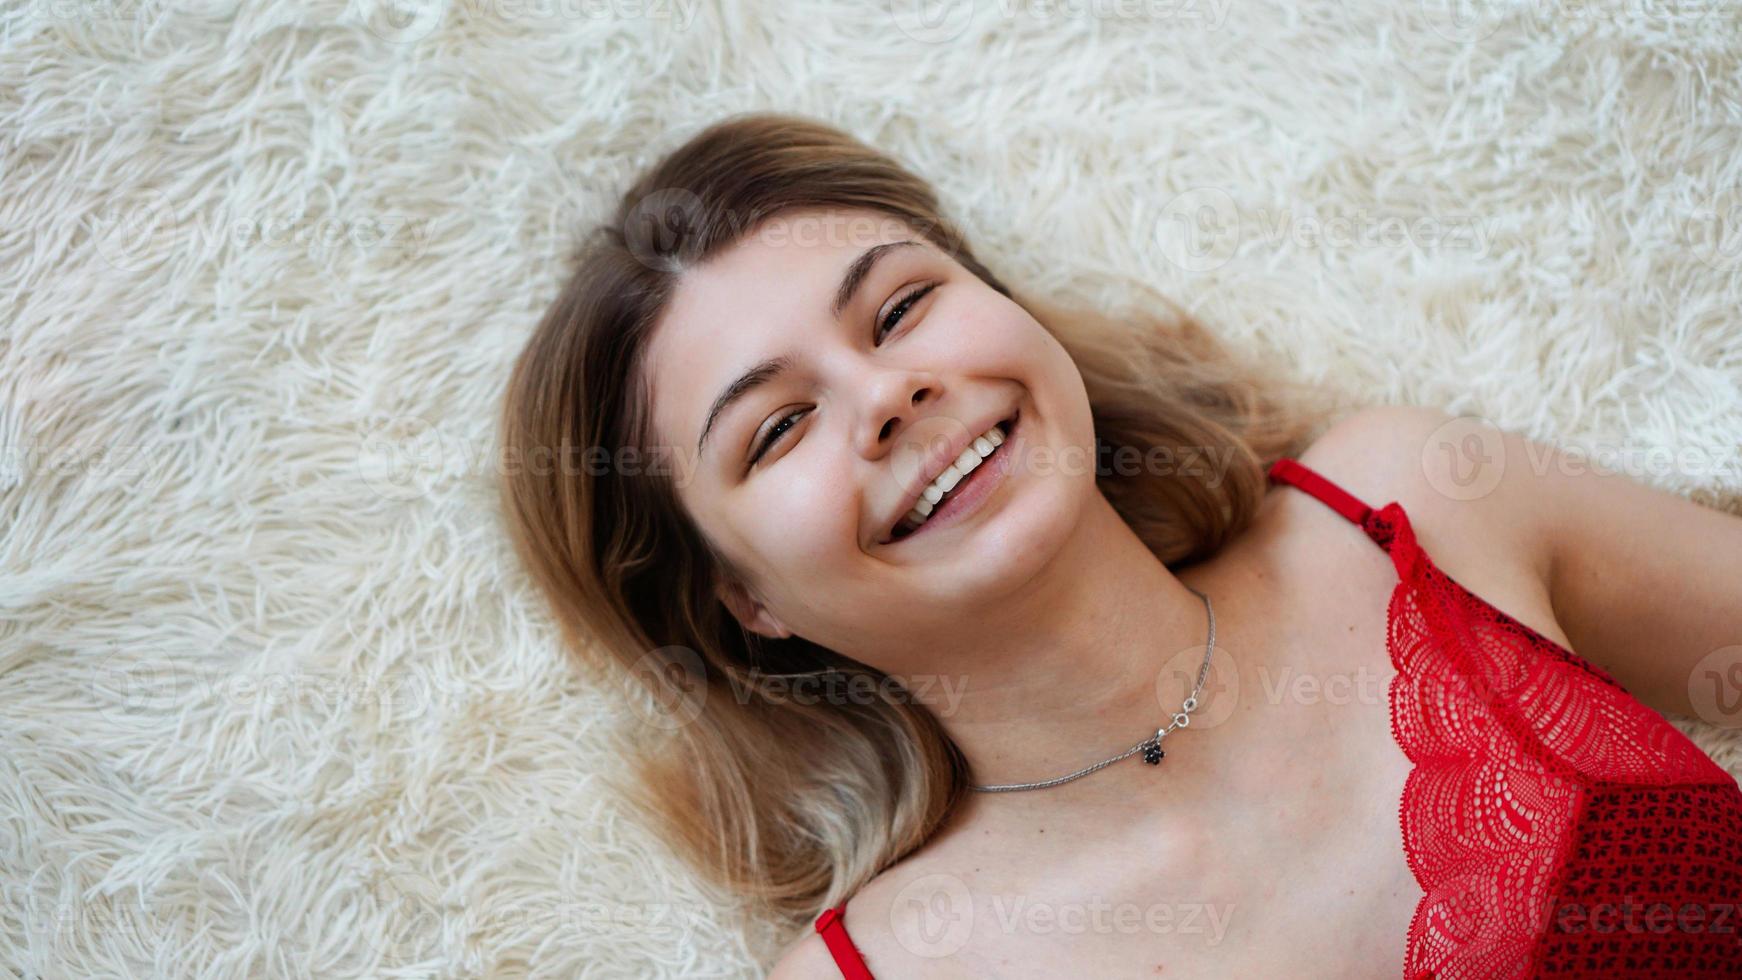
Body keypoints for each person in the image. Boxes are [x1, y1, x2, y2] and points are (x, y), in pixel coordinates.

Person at [498, 111, 1742, 978]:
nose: (883, 395)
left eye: (901, 306)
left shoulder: (1411, 503)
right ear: (741, 601)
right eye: (776, 427)